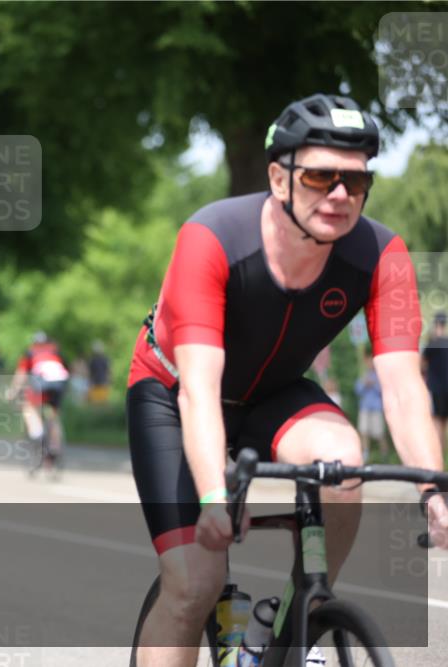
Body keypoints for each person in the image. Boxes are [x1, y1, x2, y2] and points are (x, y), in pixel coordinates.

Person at [126, 94, 448, 666]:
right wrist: (213, 497)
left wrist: (434, 489)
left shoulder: (383, 255)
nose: (341, 195)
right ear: (280, 178)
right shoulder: (212, 236)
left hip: (272, 391)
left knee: (343, 460)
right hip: (176, 394)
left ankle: (303, 612)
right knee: (193, 585)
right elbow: (200, 387)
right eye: (322, 176)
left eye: (356, 180)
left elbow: (402, 385)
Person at [8, 331, 70, 474]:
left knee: (28, 407)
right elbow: (66, 370)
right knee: (54, 416)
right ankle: (55, 446)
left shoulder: (30, 353)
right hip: (60, 383)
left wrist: (12, 392)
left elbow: (21, 374)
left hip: (43, 383)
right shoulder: (55, 351)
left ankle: (37, 433)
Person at [355, 350, 388, 462]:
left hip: (376, 408)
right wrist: (365, 384)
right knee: (364, 431)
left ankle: (384, 456)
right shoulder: (364, 374)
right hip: (364, 407)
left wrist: (373, 385)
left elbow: (383, 391)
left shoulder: (380, 375)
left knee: (379, 433)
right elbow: (357, 390)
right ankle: (365, 455)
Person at [422, 312, 448, 452]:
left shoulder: (431, 344)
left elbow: (422, 365)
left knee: (437, 423)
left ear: (435, 324)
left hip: (436, 389)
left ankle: (439, 455)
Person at [87, 340, 111, 404]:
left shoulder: (93, 359)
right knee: (98, 402)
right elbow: (109, 371)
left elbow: (108, 371)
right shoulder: (104, 359)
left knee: (99, 402)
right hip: (98, 382)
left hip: (99, 382)